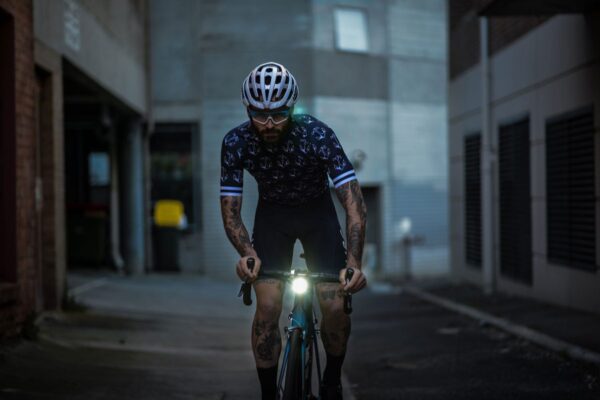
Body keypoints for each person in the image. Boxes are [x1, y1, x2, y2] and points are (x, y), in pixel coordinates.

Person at [220, 61, 367, 400]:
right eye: (259, 114)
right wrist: (247, 254)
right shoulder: (236, 142)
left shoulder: (318, 135)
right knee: (268, 307)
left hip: (318, 215)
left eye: (279, 113)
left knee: (334, 307)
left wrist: (354, 263)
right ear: (247, 108)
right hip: (273, 217)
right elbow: (231, 211)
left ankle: (331, 379)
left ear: (292, 107)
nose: (269, 123)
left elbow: (354, 204)